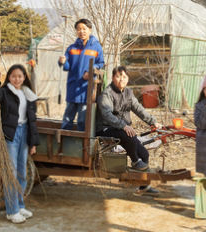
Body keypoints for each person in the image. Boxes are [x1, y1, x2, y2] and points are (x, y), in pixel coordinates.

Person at [0, 64, 39, 224]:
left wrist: (33, 142)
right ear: (9, 77)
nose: (17, 79)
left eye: (20, 76)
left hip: (24, 133)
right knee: (11, 172)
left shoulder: (27, 94)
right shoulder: (4, 92)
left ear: (24, 78)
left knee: (22, 172)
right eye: (14, 76)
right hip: (10, 135)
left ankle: (20, 205)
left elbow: (32, 120)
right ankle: (12, 211)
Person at [96, 65, 162, 196]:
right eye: (118, 76)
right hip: (105, 128)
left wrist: (153, 121)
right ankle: (135, 161)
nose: (121, 79)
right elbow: (107, 115)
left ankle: (144, 187)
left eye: (124, 76)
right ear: (113, 78)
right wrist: (124, 125)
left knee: (145, 154)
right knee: (128, 135)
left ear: (128, 79)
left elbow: (139, 109)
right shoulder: (107, 94)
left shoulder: (128, 93)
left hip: (122, 130)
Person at [58, 18, 104, 131]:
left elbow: (101, 63)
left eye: (84, 29)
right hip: (73, 87)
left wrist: (91, 70)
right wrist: (62, 62)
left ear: (90, 30)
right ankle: (64, 142)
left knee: (82, 120)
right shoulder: (71, 48)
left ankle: (80, 144)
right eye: (78, 29)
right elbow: (67, 67)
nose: (81, 31)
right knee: (68, 117)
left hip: (86, 89)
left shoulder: (96, 47)